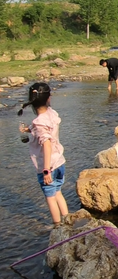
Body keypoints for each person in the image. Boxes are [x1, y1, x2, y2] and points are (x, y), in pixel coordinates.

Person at [17, 83, 69, 227]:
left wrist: (46, 170)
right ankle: (68, 221)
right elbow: (45, 127)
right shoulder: (51, 113)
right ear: (48, 99)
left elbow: (46, 144)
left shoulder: (39, 123)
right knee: (58, 193)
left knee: (50, 198)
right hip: (60, 162)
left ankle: (58, 226)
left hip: (48, 167)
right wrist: (30, 130)